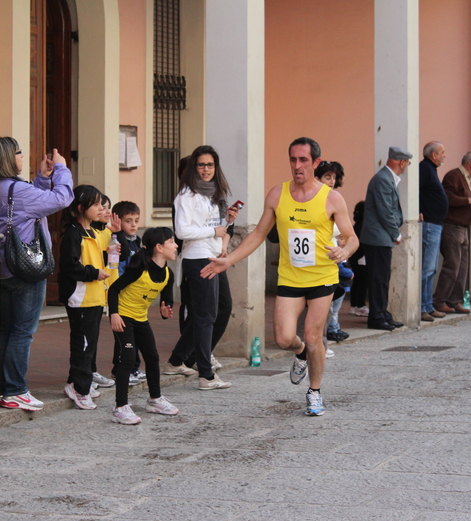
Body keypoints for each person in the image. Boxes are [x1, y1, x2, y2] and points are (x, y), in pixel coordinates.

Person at [202, 137, 358, 416]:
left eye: (303, 160)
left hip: (322, 277)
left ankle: (315, 392)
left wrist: (343, 251)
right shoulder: (277, 194)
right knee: (286, 338)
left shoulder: (332, 198)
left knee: (313, 337)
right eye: (293, 160)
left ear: (315, 163)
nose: (297, 166)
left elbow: (352, 238)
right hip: (289, 278)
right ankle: (299, 354)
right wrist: (229, 260)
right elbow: (259, 234)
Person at [0, 138, 74, 411]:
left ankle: (2, 388)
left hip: (3, 266)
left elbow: (24, 209)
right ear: (8, 158)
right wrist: (61, 169)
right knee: (23, 331)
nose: (22, 156)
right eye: (19, 152)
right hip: (27, 267)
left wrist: (39, 178)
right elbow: (62, 198)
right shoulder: (18, 190)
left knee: (5, 330)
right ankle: (15, 389)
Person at [164, 145, 238, 390]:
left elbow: (212, 226)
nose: (206, 170)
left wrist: (226, 223)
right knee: (206, 316)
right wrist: (213, 231)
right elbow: (182, 231)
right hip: (198, 259)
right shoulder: (187, 195)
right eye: (201, 165)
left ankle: (176, 361)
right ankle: (206, 375)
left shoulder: (211, 193)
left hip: (213, 255)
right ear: (193, 168)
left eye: (210, 165)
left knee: (211, 312)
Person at [108, 227, 179, 424]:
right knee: (128, 358)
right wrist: (114, 314)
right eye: (172, 242)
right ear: (159, 247)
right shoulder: (139, 268)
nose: (176, 245)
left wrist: (166, 311)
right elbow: (113, 290)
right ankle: (120, 407)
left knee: (152, 356)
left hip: (141, 318)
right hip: (123, 316)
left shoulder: (167, 274)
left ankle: (155, 400)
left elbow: (167, 302)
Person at [58, 185, 110, 410]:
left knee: (89, 344)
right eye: (96, 204)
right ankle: (80, 388)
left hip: (95, 297)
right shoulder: (73, 234)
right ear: (81, 208)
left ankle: (77, 382)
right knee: (83, 344)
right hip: (81, 298)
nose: (101, 208)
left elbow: (98, 259)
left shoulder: (92, 232)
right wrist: (93, 273)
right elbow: (70, 267)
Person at [360, 147, 411, 331]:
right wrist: (395, 233)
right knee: (378, 279)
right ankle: (376, 316)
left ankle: (382, 312)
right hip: (377, 238)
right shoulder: (383, 179)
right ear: (401, 162)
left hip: (380, 238)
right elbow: (385, 211)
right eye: (407, 163)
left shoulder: (386, 178)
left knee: (382, 278)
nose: (406, 166)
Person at [433, 151, 471, 314]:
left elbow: (461, 201)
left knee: (462, 268)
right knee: (452, 265)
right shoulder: (453, 176)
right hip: (452, 227)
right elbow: (448, 198)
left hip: (463, 227)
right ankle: (439, 300)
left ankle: (454, 300)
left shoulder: (468, 179)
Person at [110, 200, 146, 386]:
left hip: (136, 297)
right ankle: (121, 369)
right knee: (124, 336)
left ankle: (134, 367)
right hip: (122, 295)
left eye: (136, 220)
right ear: (118, 221)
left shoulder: (138, 242)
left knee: (137, 334)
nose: (133, 225)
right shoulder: (117, 242)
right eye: (128, 221)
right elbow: (118, 268)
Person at [315, 161, 350, 344]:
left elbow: (348, 235)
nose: (331, 181)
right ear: (317, 179)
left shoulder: (336, 200)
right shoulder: (312, 200)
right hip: (314, 261)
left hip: (333, 261)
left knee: (331, 304)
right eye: (327, 177)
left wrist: (344, 249)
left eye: (333, 178)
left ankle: (324, 340)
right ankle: (315, 343)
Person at [87, 194, 120, 388]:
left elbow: (117, 261)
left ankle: (92, 371)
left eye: (108, 207)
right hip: (95, 287)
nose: (106, 211)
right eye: (102, 206)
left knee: (96, 333)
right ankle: (87, 372)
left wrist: (118, 234)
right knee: (89, 335)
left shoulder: (109, 232)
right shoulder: (90, 232)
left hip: (110, 285)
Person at [419, 141, 449, 322]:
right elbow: (417, 192)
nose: (445, 155)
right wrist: (419, 210)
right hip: (429, 224)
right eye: (442, 152)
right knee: (427, 268)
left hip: (435, 223)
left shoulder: (431, 169)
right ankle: (423, 307)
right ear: (433, 155)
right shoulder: (425, 168)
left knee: (431, 269)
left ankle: (428, 305)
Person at [348, 201, 369, 317]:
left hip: (356, 256)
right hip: (361, 257)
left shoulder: (357, 225)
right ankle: (359, 305)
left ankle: (354, 305)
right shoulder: (363, 226)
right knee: (362, 281)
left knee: (357, 281)